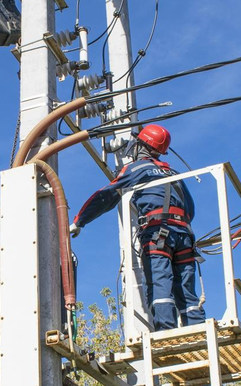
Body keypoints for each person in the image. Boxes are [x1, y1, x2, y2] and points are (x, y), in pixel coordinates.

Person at [69, 123, 205, 331]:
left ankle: (166, 333)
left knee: (160, 284)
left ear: (139, 145)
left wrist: (80, 220)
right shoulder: (172, 173)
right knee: (187, 291)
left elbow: (107, 195)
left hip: (159, 233)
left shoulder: (136, 168)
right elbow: (191, 208)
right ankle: (197, 329)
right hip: (185, 235)